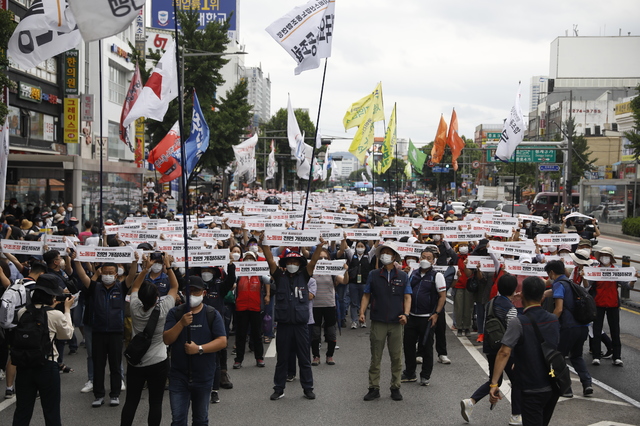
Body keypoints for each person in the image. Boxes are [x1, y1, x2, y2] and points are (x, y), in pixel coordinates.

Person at [261, 236, 326, 401]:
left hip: (301, 326)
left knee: (304, 359)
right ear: (285, 264)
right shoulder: (279, 277)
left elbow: (313, 262)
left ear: (300, 265)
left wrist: (319, 246)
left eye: (296, 263)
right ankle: (279, 388)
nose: (292, 265)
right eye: (290, 262)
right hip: (283, 326)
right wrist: (265, 243)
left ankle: (308, 388)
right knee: (282, 359)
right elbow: (269, 260)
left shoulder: (305, 276)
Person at [489, 276, 560, 426]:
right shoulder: (554, 319)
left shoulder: (518, 322)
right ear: (542, 297)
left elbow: (504, 352)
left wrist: (494, 383)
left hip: (531, 387)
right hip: (553, 385)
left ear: (521, 295)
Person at [120, 255, 178, 426]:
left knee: (131, 401)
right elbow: (174, 286)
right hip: (158, 361)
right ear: (156, 298)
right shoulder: (165, 307)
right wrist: (168, 267)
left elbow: (135, 286)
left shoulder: (135, 306)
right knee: (155, 402)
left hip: (136, 363)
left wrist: (145, 268)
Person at [11, 273, 75, 426]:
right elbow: (66, 334)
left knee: (22, 410)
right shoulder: (55, 314)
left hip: (24, 365)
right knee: (51, 411)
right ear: (52, 296)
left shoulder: (23, 312)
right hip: (47, 366)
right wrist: (67, 310)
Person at [163, 276, 227, 424]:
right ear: (183, 293)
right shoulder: (175, 313)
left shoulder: (212, 314)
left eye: (196, 291)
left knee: (200, 419)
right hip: (179, 376)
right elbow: (167, 339)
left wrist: (199, 349)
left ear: (204, 293)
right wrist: (181, 324)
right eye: (189, 291)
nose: (192, 294)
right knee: (178, 420)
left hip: (203, 376)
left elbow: (222, 341)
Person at [73, 256, 136, 407]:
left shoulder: (121, 287)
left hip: (115, 331)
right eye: (105, 272)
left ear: (116, 274)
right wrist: (76, 260)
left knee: (115, 364)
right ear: (101, 273)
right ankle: (99, 395)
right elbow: (82, 275)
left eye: (111, 272)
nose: (108, 275)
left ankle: (115, 394)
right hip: (98, 331)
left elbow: (132, 275)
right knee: (98, 365)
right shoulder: (95, 287)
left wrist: (134, 262)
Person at [461, 274, 522, 425]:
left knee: (495, 379)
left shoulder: (491, 302)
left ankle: (471, 401)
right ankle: (516, 415)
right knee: (517, 381)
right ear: (514, 289)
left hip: (490, 346)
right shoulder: (511, 309)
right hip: (505, 350)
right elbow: (513, 331)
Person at [359, 241, 411, 402]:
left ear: (394, 256)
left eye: (388, 253)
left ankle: (395, 387)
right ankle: (373, 388)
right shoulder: (374, 274)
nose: (385, 256)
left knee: (396, 357)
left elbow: (407, 296)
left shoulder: (402, 276)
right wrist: (361, 312)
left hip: (397, 322)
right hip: (378, 320)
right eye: (382, 253)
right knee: (376, 356)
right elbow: (367, 294)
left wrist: (406, 314)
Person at [544, 260, 593, 397]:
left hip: (568, 327)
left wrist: (549, 324)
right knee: (576, 356)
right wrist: (543, 294)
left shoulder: (559, 284)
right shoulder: (571, 283)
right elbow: (551, 292)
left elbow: (559, 309)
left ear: (552, 273)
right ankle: (587, 383)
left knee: (557, 357)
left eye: (549, 275)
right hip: (583, 326)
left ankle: (566, 389)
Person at [402, 249, 446, 386]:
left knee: (427, 347)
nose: (425, 260)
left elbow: (442, 296)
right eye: (423, 257)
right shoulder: (413, 273)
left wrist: (436, 314)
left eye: (429, 258)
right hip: (412, 317)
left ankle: (425, 375)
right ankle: (410, 373)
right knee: (408, 346)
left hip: (427, 318)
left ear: (433, 261)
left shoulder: (437, 276)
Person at [589, 247, 627, 367]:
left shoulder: (616, 271)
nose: (604, 257)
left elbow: (627, 285)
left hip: (613, 304)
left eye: (607, 255)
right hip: (598, 304)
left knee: (615, 331)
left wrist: (633, 279)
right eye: (602, 255)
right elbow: (587, 285)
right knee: (596, 330)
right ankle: (596, 356)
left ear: (611, 258)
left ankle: (617, 357)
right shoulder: (595, 270)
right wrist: (585, 276)